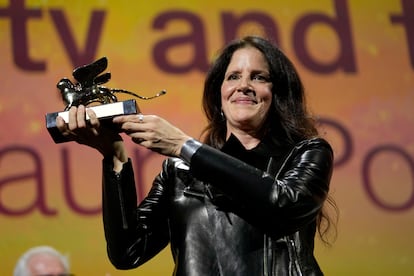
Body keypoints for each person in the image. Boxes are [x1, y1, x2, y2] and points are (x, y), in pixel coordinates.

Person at [56, 35, 337, 275]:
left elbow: (284, 206)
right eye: (233, 76)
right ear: (219, 95)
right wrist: (113, 153)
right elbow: (128, 251)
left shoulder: (306, 153)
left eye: (259, 77)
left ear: (278, 93)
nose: (244, 85)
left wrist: (184, 146)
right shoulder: (179, 171)